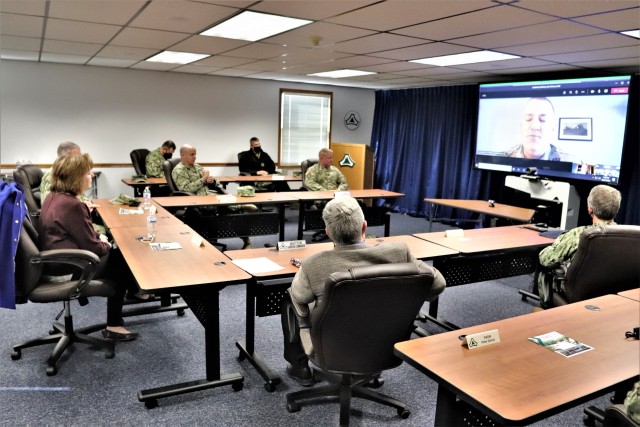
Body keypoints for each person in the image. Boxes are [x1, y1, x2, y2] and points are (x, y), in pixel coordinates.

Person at [281, 196, 446, 386]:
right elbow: (437, 284)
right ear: (364, 227)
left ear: (328, 232)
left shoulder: (313, 264)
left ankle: (299, 368)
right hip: (385, 344)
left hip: (332, 350)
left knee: (289, 299)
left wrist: (305, 273)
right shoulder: (399, 253)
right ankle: (371, 372)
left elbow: (299, 296)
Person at [39, 154, 141, 341]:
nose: (92, 175)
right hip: (68, 265)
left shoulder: (54, 197)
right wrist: (106, 243)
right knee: (121, 259)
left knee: (116, 255)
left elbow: (81, 234)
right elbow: (93, 248)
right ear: (76, 176)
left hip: (54, 259)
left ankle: (136, 292)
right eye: (88, 172)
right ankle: (114, 325)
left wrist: (99, 238)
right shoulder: (72, 205)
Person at [536, 184, 621, 306]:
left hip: (577, 296)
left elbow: (545, 259)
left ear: (590, 209)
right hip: (611, 298)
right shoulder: (627, 235)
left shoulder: (579, 235)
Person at [172, 144, 256, 249]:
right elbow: (187, 189)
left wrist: (212, 180)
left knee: (233, 211)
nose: (195, 157)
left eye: (195, 154)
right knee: (231, 209)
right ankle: (238, 207)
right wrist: (204, 178)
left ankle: (246, 240)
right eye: (192, 154)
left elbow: (216, 182)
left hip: (209, 196)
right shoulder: (179, 170)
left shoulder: (197, 167)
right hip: (195, 201)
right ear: (183, 155)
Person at [504, 97, 574, 161]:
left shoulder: (571, 162)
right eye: (528, 119)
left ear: (553, 128)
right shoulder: (503, 158)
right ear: (521, 126)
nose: (534, 126)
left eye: (543, 120)